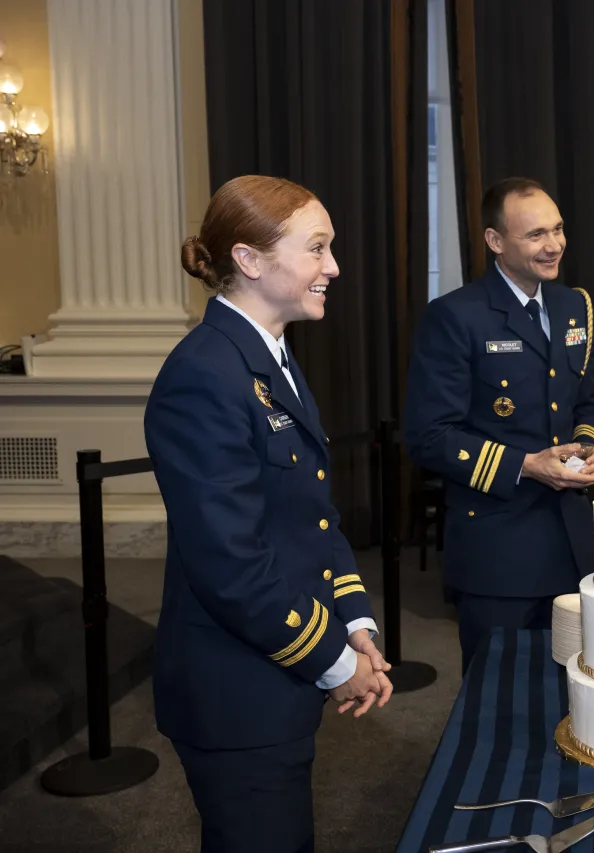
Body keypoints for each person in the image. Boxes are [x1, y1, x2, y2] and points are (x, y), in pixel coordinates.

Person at [144, 175, 393, 853]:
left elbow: (312, 516)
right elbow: (232, 565)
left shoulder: (267, 358)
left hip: (276, 669)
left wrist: (357, 622)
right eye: (317, 249)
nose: (334, 268)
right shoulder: (206, 373)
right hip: (234, 690)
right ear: (250, 260)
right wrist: (338, 660)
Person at [404, 177, 594, 672]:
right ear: (496, 241)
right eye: (536, 234)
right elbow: (429, 436)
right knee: (498, 694)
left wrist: (587, 444)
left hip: (572, 543)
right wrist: (527, 465)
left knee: (577, 685)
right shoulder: (455, 316)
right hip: (499, 547)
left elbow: (589, 400)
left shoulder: (573, 305)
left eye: (558, 230)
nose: (554, 244)